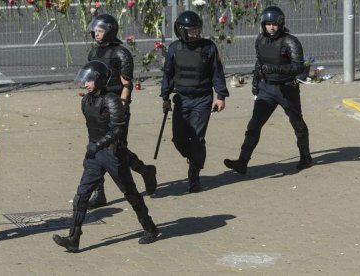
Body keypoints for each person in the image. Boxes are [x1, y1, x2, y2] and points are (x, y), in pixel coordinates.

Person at [52, 61, 159, 253]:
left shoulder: (111, 100)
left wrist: (99, 145)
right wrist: (91, 149)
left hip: (112, 153)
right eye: (84, 80)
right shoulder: (86, 100)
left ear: (100, 80)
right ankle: (73, 239)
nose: (85, 84)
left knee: (131, 194)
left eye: (89, 80)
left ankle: (150, 228)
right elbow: (93, 128)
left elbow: (117, 129)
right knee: (81, 196)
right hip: (94, 155)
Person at [223, 6, 312, 174]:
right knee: (254, 124)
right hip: (267, 88)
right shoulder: (260, 40)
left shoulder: (290, 41)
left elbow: (299, 67)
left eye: (275, 24)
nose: (271, 27)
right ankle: (242, 161)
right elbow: (259, 63)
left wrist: (276, 69)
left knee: (297, 123)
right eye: (268, 24)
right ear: (263, 25)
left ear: (281, 24)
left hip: (287, 89)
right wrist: (255, 82)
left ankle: (305, 157)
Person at [86, 13, 157, 209]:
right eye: (95, 30)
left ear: (110, 31)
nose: (96, 34)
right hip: (97, 107)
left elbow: (127, 84)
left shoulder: (120, 53)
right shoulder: (93, 53)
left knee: (117, 150)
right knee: (95, 148)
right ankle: (99, 193)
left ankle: (145, 171)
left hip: (115, 106)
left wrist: (122, 106)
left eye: (100, 31)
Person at [160, 10, 229, 193]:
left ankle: (194, 174)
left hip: (202, 99)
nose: (196, 34)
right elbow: (167, 74)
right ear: (181, 31)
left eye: (198, 30)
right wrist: (165, 97)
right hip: (181, 100)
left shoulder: (208, 47)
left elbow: (217, 72)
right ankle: (194, 157)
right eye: (191, 31)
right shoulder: (174, 48)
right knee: (179, 139)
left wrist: (220, 96)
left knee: (197, 138)